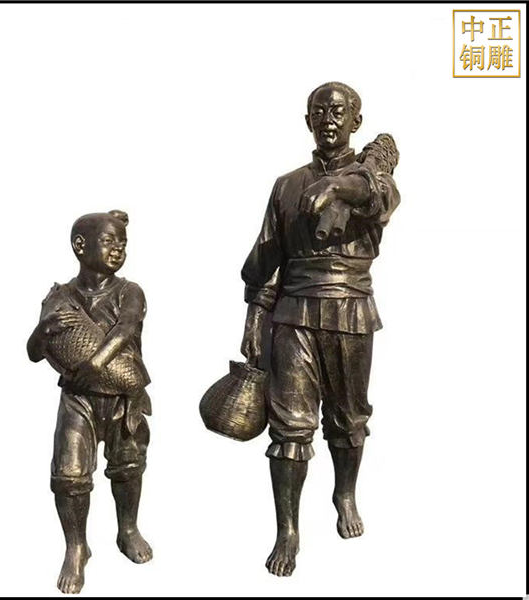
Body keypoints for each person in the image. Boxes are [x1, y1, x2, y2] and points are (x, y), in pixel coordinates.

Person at [240, 82, 400, 577]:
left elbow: (378, 197)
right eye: (319, 112)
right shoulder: (286, 185)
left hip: (350, 311)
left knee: (349, 418)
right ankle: (287, 530)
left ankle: (344, 494)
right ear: (307, 121)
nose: (328, 119)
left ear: (356, 121)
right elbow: (268, 258)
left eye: (338, 111)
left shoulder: (374, 178)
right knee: (289, 426)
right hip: (292, 313)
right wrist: (254, 316)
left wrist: (335, 187)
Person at [27, 210, 152, 594]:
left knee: (128, 467)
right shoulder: (60, 296)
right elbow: (33, 353)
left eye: (123, 243)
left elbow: (126, 328)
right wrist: (42, 332)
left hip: (122, 397)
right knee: (69, 476)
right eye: (109, 241)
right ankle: (77, 547)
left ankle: (127, 529)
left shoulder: (129, 291)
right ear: (80, 246)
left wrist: (96, 363)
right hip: (77, 399)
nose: (118, 249)